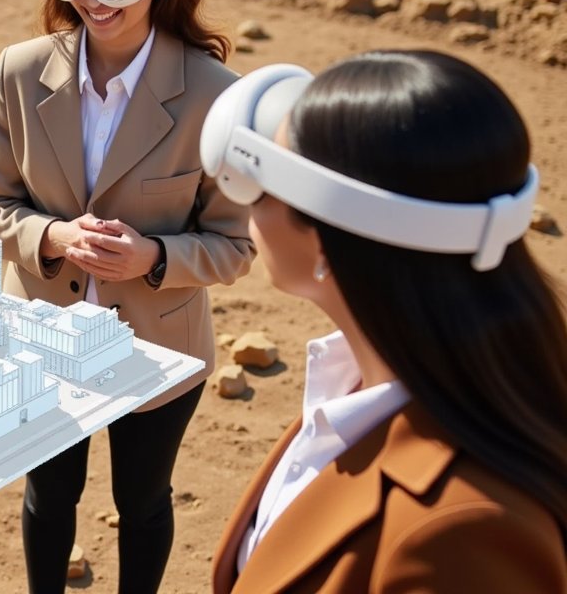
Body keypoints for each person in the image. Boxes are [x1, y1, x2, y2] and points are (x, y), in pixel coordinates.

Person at [0, 0, 256, 594]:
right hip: (39, 337)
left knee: (143, 501)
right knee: (48, 496)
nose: (89, 4)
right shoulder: (18, 71)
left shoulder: (216, 98)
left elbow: (235, 243)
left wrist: (154, 256)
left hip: (158, 351)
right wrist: (55, 239)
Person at [203, 51, 567, 592]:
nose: (247, 208)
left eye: (261, 184)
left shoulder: (464, 535)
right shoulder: (358, 383)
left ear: (324, 238)